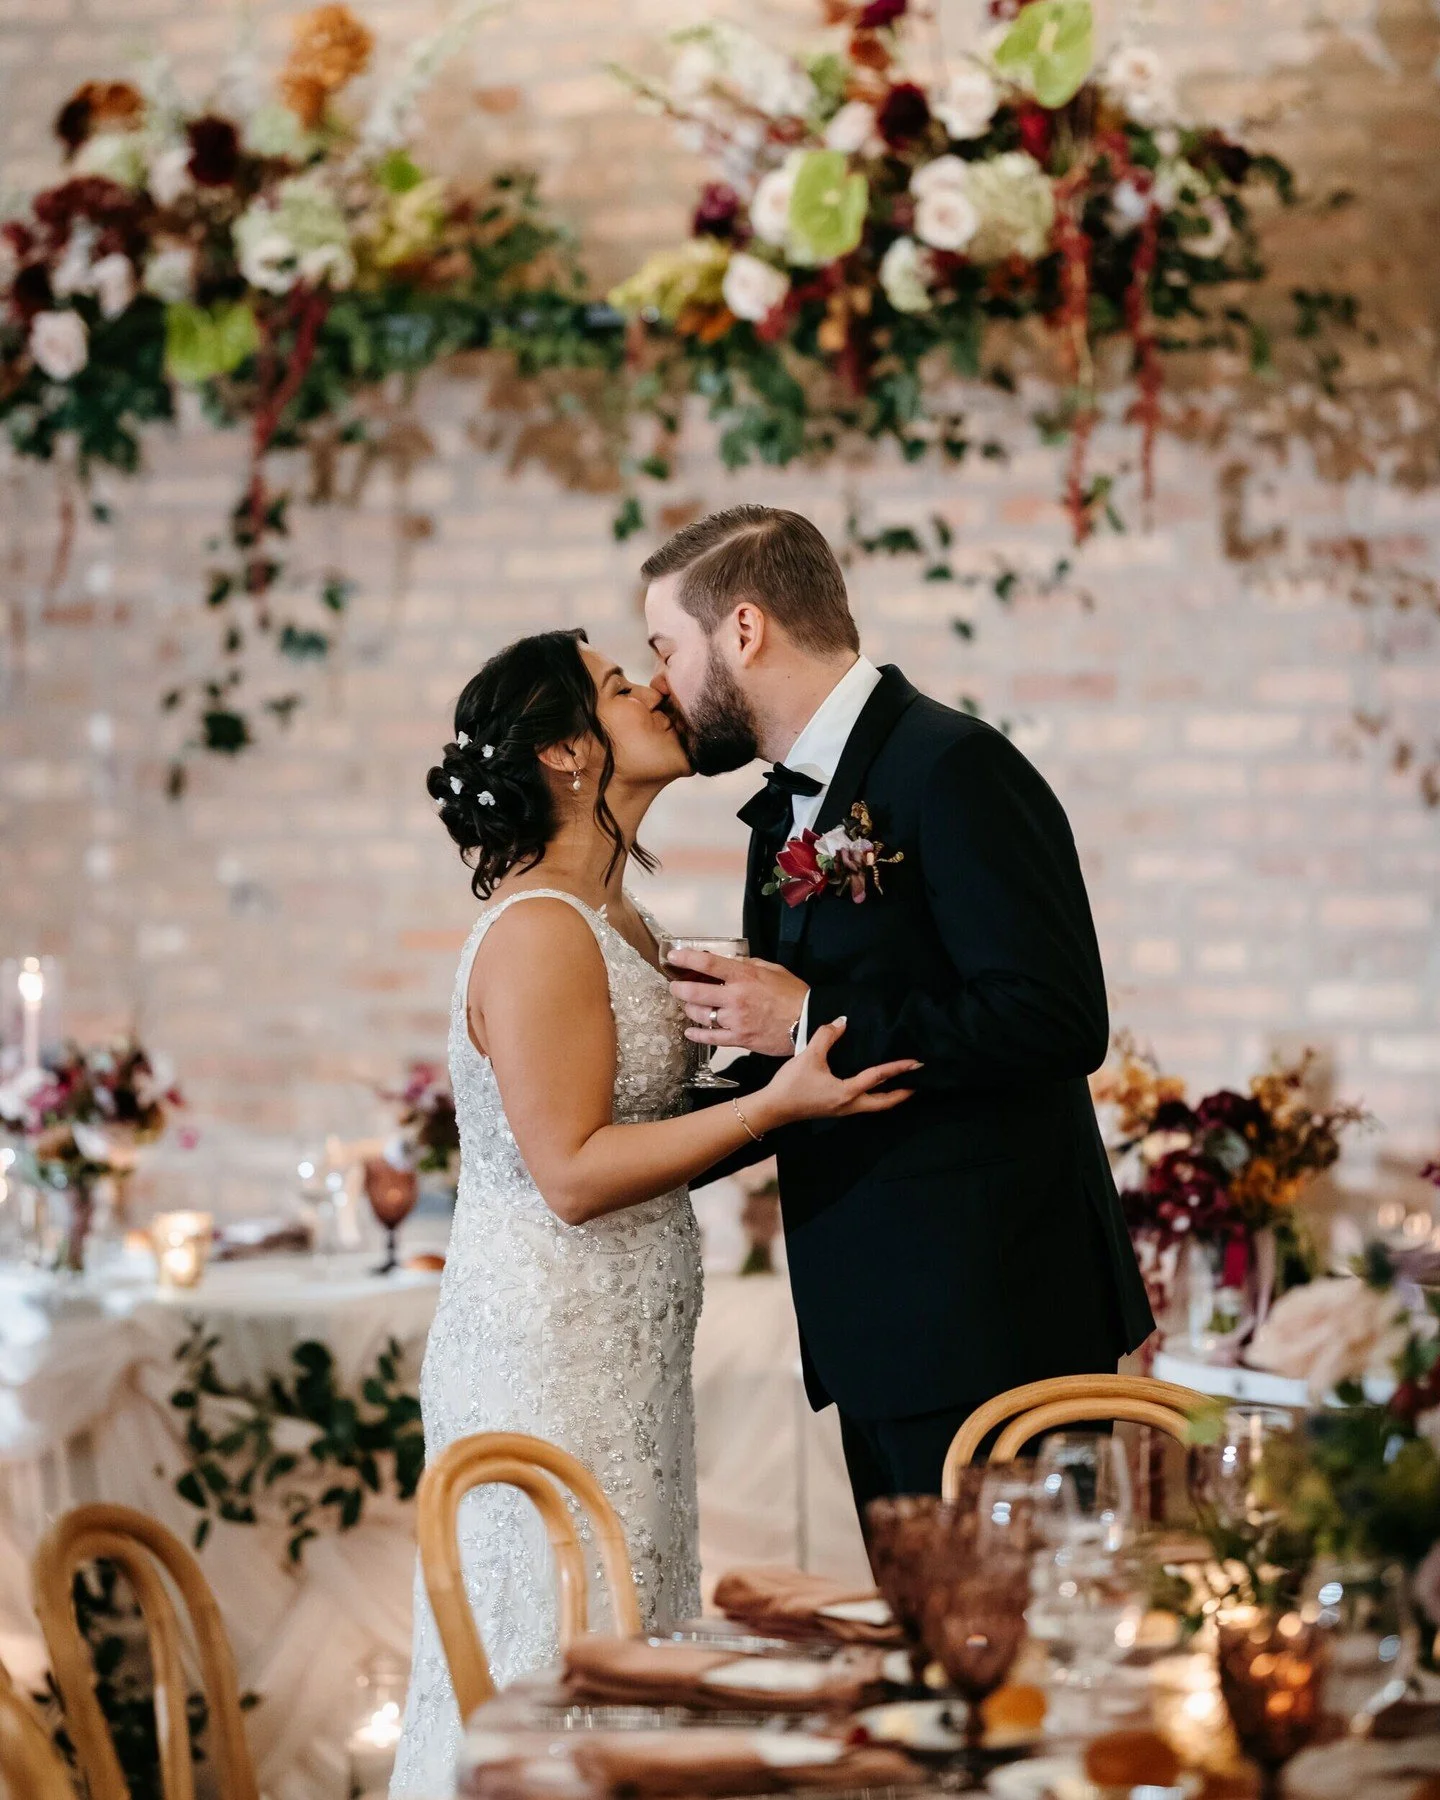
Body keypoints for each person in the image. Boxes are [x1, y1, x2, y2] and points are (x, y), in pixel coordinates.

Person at [390, 628, 917, 1799]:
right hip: (547, 1355)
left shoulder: (622, 922)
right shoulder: (537, 932)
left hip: (624, 1348)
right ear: (570, 754)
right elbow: (574, 1174)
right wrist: (770, 1109)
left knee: (631, 1630)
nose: (661, 692)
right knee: (554, 1648)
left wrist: (796, 1088)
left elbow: (654, 1131)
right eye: (624, 687)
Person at [642, 505, 1156, 1524]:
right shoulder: (782, 813)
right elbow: (802, 1069)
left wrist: (809, 1012)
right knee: (933, 1664)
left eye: (664, 648)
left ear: (742, 630)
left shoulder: (953, 768)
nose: (660, 682)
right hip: (876, 1330)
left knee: (1026, 1666)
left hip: (995, 1317)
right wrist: (614, 1150)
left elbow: (1055, 1016)